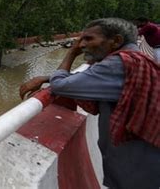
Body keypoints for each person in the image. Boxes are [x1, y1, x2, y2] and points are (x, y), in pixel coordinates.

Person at [19, 18, 159, 189]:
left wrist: (71, 53)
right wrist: (47, 77)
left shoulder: (118, 64)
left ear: (116, 41)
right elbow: (87, 79)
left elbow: (60, 86)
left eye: (88, 39)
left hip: (134, 164)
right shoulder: (135, 59)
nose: (81, 45)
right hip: (144, 159)